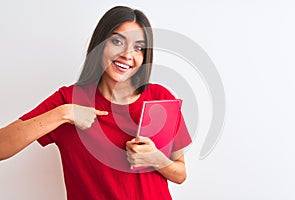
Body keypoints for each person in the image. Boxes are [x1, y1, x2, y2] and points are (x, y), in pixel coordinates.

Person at [0, 6, 192, 200]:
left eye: (138, 48)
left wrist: (156, 159)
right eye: (117, 41)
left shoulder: (160, 97)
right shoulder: (69, 99)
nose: (128, 54)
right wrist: (63, 113)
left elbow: (180, 174)